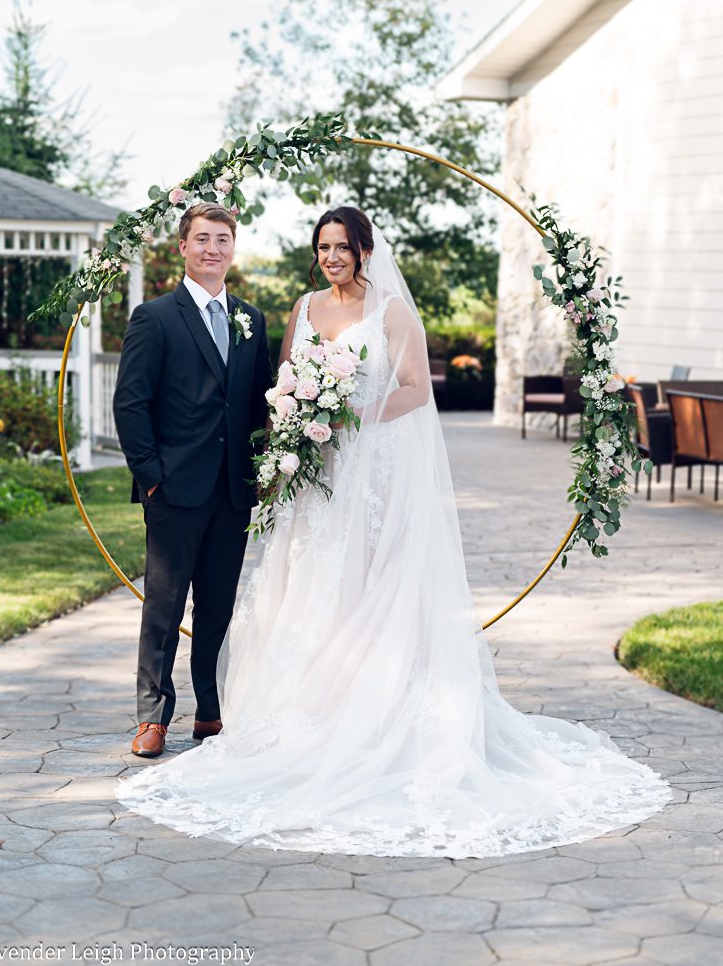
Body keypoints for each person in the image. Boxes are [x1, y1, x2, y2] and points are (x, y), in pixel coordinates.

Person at [116, 206, 670, 857]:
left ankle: (312, 712)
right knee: (268, 588)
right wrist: (287, 434)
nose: (332, 256)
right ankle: (164, 714)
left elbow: (414, 389)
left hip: (369, 472)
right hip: (308, 474)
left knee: (346, 590)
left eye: (342, 246)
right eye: (323, 246)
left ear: (363, 250)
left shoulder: (387, 311)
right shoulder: (294, 309)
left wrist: (349, 409)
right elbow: (278, 388)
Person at [113, 203, 271, 759]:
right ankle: (152, 716)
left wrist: (263, 468)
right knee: (164, 607)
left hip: (232, 490)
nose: (212, 249)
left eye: (222, 239)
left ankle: (210, 708)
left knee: (218, 606)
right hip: (174, 489)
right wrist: (151, 477)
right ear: (182, 247)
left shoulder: (252, 319)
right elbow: (130, 403)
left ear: (233, 248)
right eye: (202, 238)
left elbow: (261, 400)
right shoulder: (155, 318)